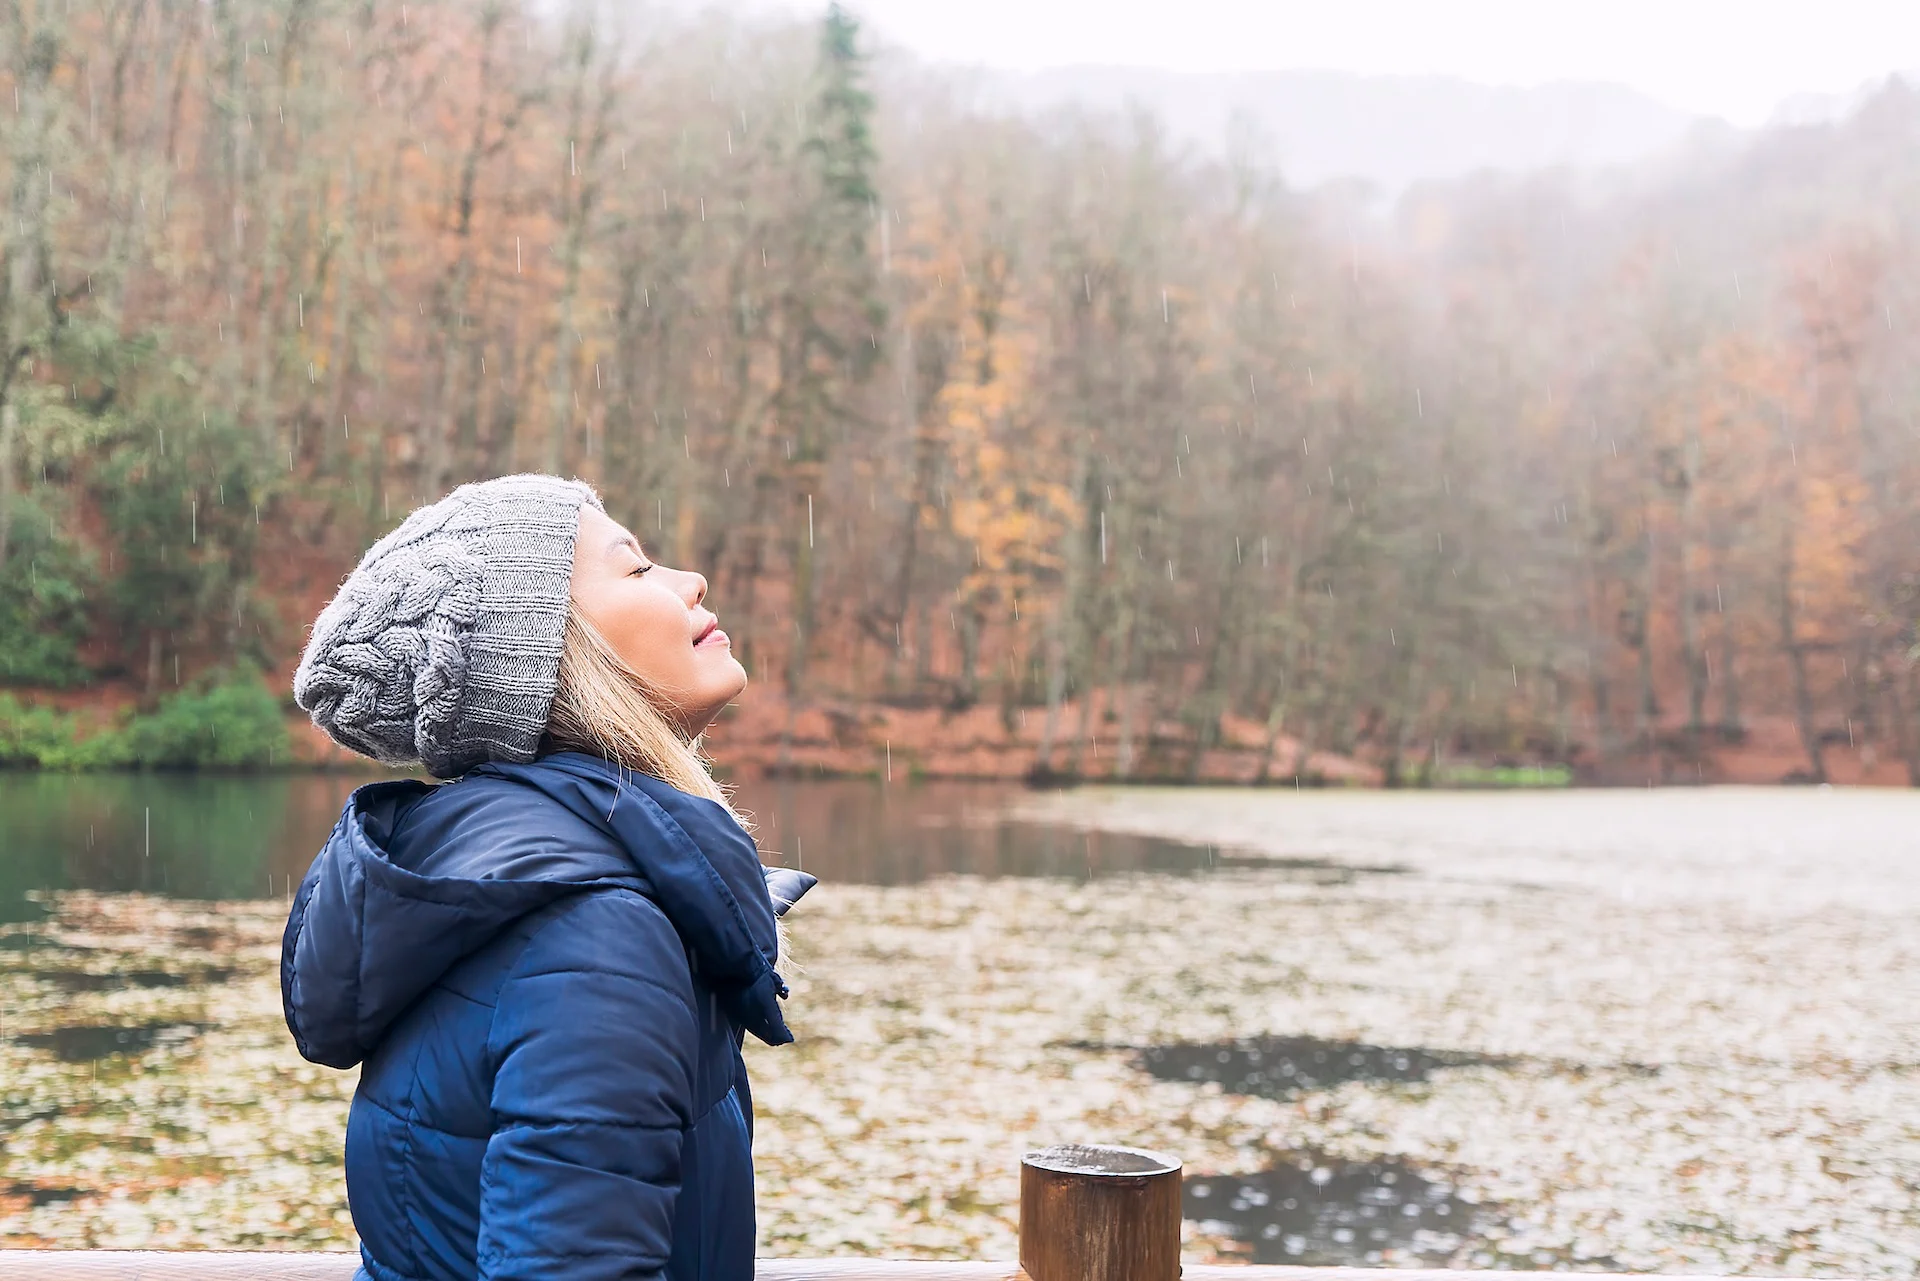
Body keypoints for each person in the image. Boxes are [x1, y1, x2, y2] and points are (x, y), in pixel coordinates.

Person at [281, 473, 814, 1281]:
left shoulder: (509, 883)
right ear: (558, 662)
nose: (689, 581)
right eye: (635, 569)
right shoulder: (599, 940)